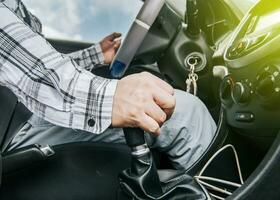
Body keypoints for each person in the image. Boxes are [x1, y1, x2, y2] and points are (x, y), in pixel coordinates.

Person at [0, 0, 216, 171]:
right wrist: (110, 97)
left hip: (20, 116)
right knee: (185, 114)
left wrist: (96, 55)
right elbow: (25, 62)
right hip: (14, 127)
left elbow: (24, 68)